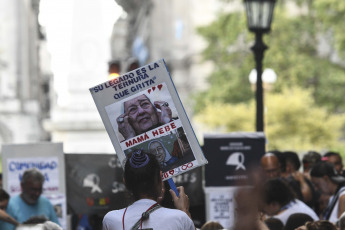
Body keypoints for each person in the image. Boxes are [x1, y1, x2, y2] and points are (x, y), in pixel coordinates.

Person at [102, 149, 195, 230]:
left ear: (125, 183)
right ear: (160, 180)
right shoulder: (179, 219)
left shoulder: (111, 220)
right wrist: (184, 210)